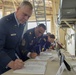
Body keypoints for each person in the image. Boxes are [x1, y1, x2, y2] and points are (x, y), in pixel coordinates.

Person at [0, 1, 33, 74]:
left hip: (14, 58)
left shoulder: (22, 23)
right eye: (24, 14)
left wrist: (22, 58)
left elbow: (16, 44)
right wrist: (11, 63)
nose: (26, 18)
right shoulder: (4, 22)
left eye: (28, 16)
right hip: (3, 62)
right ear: (17, 9)